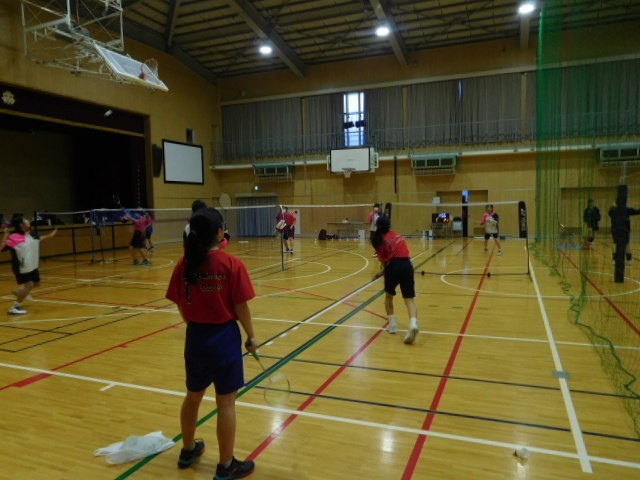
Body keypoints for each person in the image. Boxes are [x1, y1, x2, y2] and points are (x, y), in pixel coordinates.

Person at [166, 207, 258, 479]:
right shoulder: (231, 264)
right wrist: (251, 336)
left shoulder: (184, 264)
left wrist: (194, 324)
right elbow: (241, 307)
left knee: (193, 396)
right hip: (223, 340)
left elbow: (180, 303)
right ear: (219, 233)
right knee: (226, 403)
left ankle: (187, 450)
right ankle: (226, 465)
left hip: (195, 338)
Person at [371, 214, 419, 345]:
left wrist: (380, 273)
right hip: (407, 265)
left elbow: (385, 263)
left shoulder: (380, 241)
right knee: (409, 299)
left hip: (392, 267)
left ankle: (392, 326)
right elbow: (403, 253)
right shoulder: (398, 235)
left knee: (389, 297)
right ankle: (413, 323)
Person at [1, 216, 57, 315]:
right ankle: (14, 307)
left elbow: (38, 239)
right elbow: (1, 248)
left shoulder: (31, 233)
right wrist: (5, 235)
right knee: (29, 285)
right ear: (21, 224)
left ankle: (21, 292)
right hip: (22, 266)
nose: (27, 220)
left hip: (32, 264)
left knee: (37, 283)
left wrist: (50, 235)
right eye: (25, 220)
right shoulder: (14, 237)